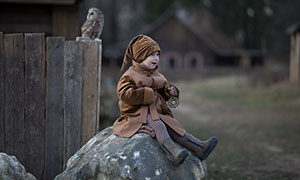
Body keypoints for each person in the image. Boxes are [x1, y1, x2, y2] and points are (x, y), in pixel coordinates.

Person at [113, 34, 217, 166]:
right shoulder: (130, 76)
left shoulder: (157, 75)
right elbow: (124, 94)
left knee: (174, 127)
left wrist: (169, 92)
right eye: (151, 55)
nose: (156, 58)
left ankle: (200, 147)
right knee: (159, 126)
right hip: (138, 114)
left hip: (157, 112)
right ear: (140, 56)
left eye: (157, 55)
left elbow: (162, 91)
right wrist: (146, 93)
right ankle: (173, 153)